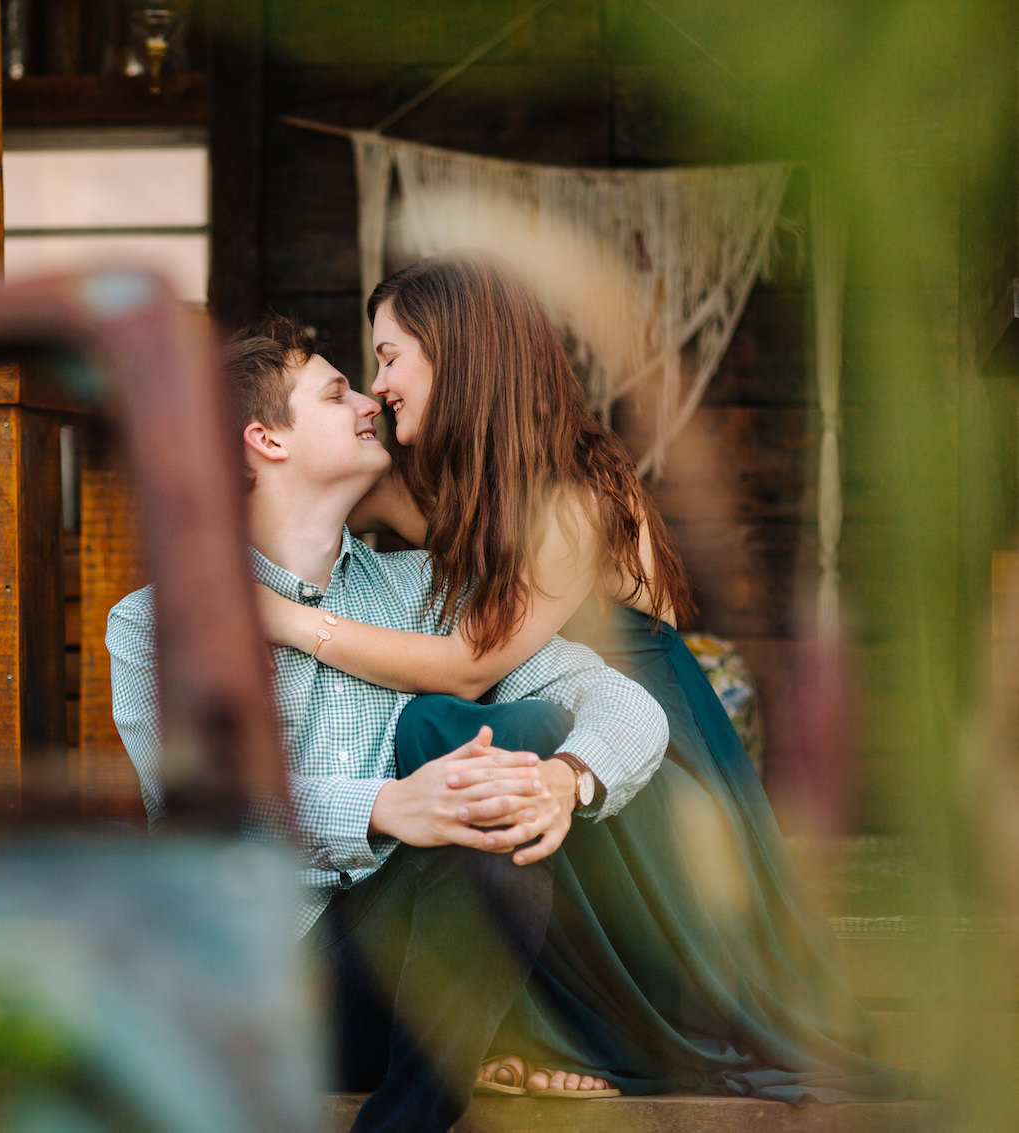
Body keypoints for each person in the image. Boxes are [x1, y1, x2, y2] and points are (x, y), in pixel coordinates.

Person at [253, 257, 912, 1102]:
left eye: (389, 357)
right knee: (452, 754)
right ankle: (505, 1021)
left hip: (638, 745)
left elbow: (471, 660)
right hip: (520, 719)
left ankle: (616, 1031)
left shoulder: (573, 495)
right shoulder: (410, 475)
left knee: (440, 733)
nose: (377, 388)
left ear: (456, 354)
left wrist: (292, 624)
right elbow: (288, 508)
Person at [107, 315, 671, 1132]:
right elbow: (202, 806)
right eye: (337, 391)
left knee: (496, 838)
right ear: (263, 438)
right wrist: (385, 806)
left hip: (395, 979)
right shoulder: (157, 622)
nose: (371, 399)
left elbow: (620, 701)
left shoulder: (425, 592)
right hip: (250, 988)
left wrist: (566, 779)